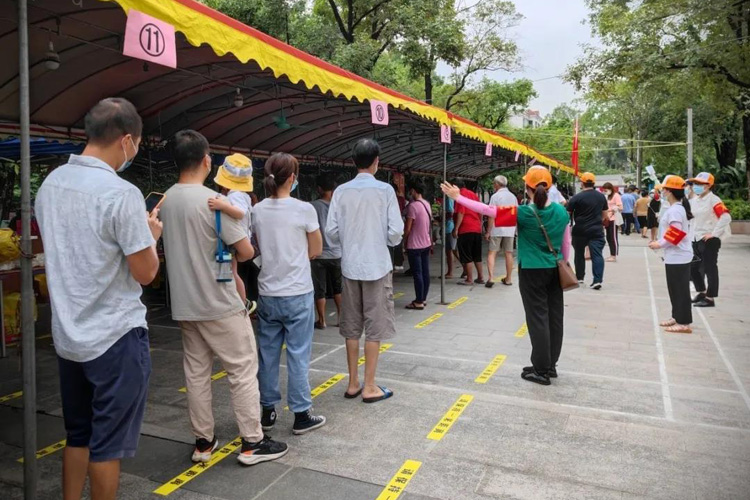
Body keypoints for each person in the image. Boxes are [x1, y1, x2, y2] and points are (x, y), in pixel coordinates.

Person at [36, 98, 160, 500]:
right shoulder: (120, 193)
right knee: (107, 445)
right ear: (126, 140)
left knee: (79, 435)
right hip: (115, 336)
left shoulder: (51, 185)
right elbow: (145, 273)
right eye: (137, 144)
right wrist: (152, 238)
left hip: (69, 336)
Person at [160, 130, 287, 466]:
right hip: (219, 303)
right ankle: (252, 442)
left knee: (197, 373)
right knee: (243, 369)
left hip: (185, 305)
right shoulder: (213, 203)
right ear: (206, 161)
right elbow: (244, 252)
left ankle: (203, 442)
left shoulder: (166, 200)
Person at [441, 166, 571, 386]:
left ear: (527, 188)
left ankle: (541, 370)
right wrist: (564, 263)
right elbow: (566, 242)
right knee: (554, 317)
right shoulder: (561, 211)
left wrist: (458, 198)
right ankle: (550, 365)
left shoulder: (523, 213)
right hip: (555, 268)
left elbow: (486, 210)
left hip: (532, 270)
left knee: (537, 318)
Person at [252, 154, 326, 434]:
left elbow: (254, 246)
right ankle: (301, 413)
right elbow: (316, 249)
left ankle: (268, 411)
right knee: (298, 354)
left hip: (268, 293)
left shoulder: (257, 211)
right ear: (293, 178)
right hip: (297, 292)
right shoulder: (303, 209)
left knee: (268, 355)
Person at [326, 139, 403, 403]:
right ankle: (370, 386)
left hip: (350, 266)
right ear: (376, 162)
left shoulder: (341, 192)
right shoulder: (385, 191)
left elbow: (332, 233)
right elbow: (395, 232)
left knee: (351, 326)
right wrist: (383, 240)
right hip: (377, 266)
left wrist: (349, 242)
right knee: (375, 326)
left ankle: (353, 382)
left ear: (354, 161)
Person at [207, 154, 256, 311]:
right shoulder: (244, 195)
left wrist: (222, 206)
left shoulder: (236, 195)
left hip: (237, 240)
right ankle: (240, 301)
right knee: (231, 272)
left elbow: (240, 213)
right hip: (241, 239)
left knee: (233, 273)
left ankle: (243, 303)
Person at [648, 175, 694, 333]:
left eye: (664, 189)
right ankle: (677, 316)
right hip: (674, 256)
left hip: (679, 256)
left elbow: (676, 232)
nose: (662, 192)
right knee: (674, 288)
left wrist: (658, 243)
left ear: (669, 191)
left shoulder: (675, 210)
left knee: (680, 289)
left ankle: (684, 322)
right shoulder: (676, 208)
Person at [687, 172, 732, 308]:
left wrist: (714, 233)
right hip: (695, 238)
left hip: (709, 240)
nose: (696, 186)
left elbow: (725, 217)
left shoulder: (714, 200)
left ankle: (710, 297)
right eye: (695, 184)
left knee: (709, 268)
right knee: (692, 267)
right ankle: (701, 291)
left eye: (699, 184)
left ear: (708, 185)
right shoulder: (694, 200)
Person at [310, 173, 343, 328]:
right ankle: (341, 318)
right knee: (338, 288)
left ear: (319, 189)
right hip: (337, 253)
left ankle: (322, 320)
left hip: (319, 254)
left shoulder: (313, 206)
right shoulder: (340, 206)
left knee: (320, 289)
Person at [567, 172, 608, 290]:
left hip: (580, 230)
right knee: (597, 255)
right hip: (596, 230)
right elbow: (605, 215)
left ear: (582, 183)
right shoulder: (601, 197)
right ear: (593, 183)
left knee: (579, 254)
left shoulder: (576, 198)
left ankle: (579, 278)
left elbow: (568, 214)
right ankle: (597, 280)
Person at [403, 180, 432, 309]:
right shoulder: (427, 204)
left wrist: (404, 241)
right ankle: (423, 298)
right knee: (425, 272)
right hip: (426, 243)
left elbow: (408, 228)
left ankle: (418, 301)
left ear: (413, 191)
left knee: (417, 274)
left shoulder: (412, 206)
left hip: (414, 245)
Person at [485, 175, 517, 287]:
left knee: (492, 252)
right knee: (509, 253)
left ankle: (491, 278)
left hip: (497, 228)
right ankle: (508, 279)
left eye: (494, 183)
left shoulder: (495, 196)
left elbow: (491, 215)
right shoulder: (513, 197)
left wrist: (488, 231)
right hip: (510, 228)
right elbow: (516, 213)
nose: (493, 185)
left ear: (497, 184)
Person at [454, 181, 485, 285]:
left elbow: (461, 212)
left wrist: (456, 228)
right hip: (476, 228)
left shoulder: (460, 196)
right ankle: (480, 277)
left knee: (466, 255)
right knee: (477, 255)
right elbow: (481, 210)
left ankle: (469, 279)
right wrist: (479, 224)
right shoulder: (473, 195)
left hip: (466, 228)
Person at [602, 182, 622, 262]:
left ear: (610, 189)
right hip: (607, 218)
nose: (605, 191)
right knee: (608, 237)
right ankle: (611, 254)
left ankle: (614, 255)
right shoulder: (607, 196)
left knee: (613, 237)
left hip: (613, 218)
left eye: (606, 190)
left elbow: (620, 207)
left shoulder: (616, 195)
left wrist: (610, 209)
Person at [443, 195, 459, 278]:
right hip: (451, 226)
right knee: (454, 250)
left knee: (449, 250)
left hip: (450, 226)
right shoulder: (452, 198)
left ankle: (450, 272)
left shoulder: (450, 198)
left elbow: (450, 212)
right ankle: (465, 268)